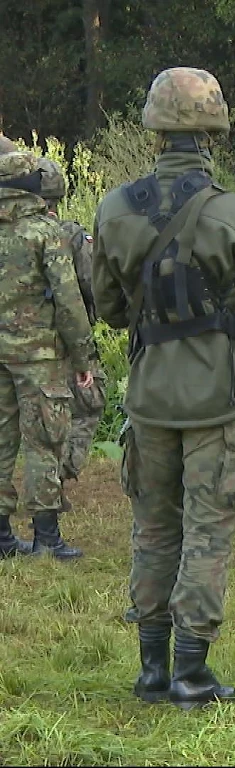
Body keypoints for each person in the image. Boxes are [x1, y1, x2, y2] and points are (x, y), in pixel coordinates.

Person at [93, 67, 235, 708]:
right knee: (208, 532)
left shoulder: (115, 209)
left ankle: (152, 669)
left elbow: (107, 305)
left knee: (153, 531)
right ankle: (191, 671)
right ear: (213, 131)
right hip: (220, 398)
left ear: (154, 127)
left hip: (150, 396)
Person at [0, 151, 95, 560]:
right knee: (43, 441)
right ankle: (46, 537)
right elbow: (69, 301)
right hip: (39, 356)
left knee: (1, 441)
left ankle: (2, 537)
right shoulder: (46, 232)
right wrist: (83, 358)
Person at [36, 157, 107, 515]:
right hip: (62, 345)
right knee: (85, 404)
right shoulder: (73, 237)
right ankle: (56, 481)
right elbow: (95, 288)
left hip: (14, 344)